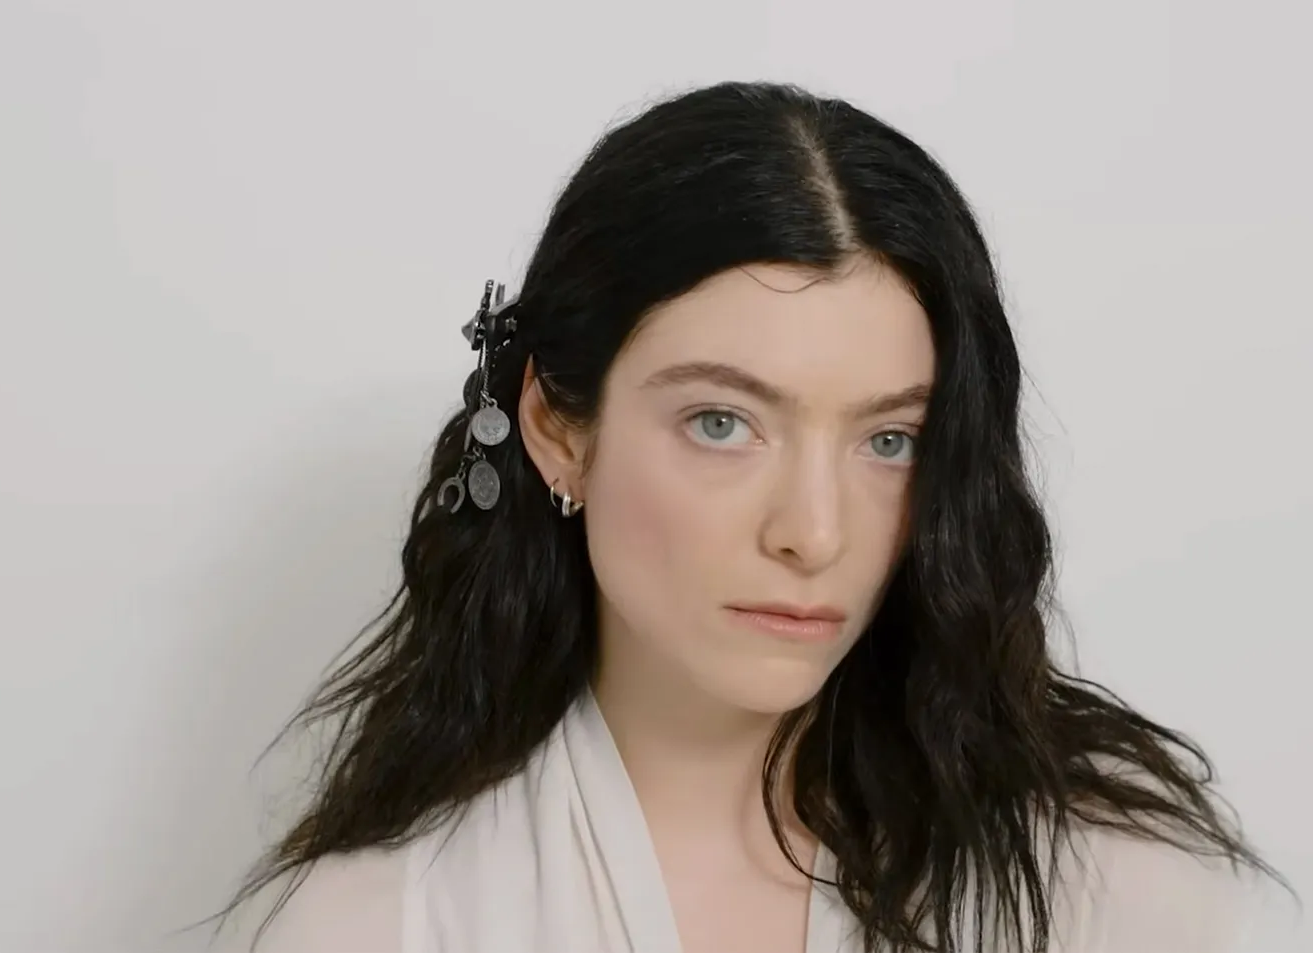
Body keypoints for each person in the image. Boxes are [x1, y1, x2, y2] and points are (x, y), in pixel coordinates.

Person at [224, 81, 1290, 952]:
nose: (814, 534)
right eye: (723, 423)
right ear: (555, 425)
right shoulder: (382, 924)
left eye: (890, 439)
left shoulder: (1120, 889)